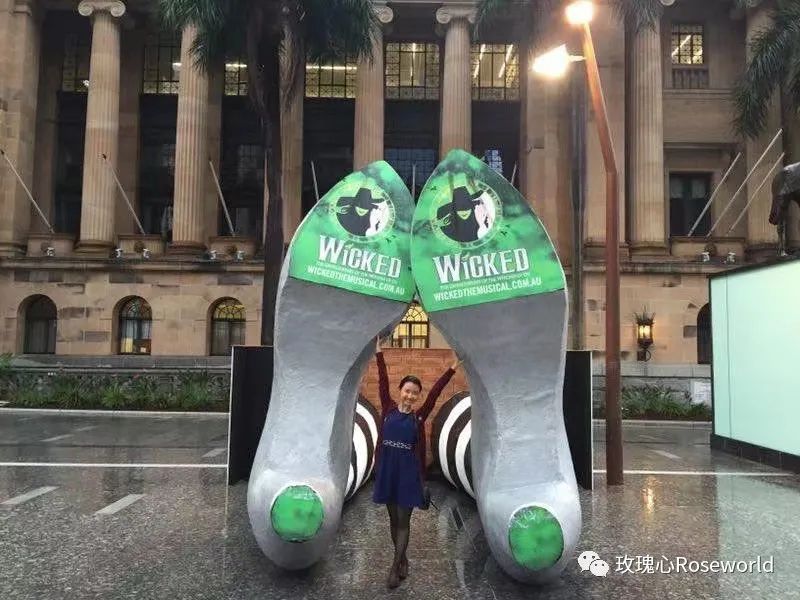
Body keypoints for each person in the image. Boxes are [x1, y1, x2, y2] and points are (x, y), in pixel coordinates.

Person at [372, 336, 461, 588]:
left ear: (418, 396)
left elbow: (436, 392)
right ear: (401, 391)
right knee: (393, 520)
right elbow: (382, 378)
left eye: (415, 393)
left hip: (408, 476)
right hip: (388, 472)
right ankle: (403, 559)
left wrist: (452, 368)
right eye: (407, 391)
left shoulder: (419, 417)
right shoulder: (388, 409)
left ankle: (395, 566)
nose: (410, 395)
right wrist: (378, 353)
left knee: (403, 521)